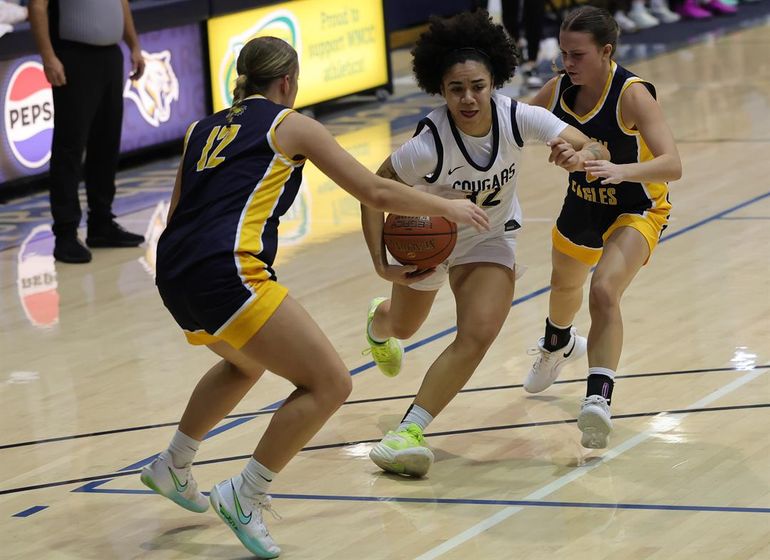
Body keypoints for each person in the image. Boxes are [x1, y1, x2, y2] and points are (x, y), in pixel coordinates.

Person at [138, 36, 489, 559]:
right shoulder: (290, 125)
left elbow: (178, 209)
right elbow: (374, 191)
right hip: (226, 269)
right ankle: (247, 493)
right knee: (329, 383)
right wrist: (452, 209)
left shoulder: (200, 129)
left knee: (242, 365)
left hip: (173, 271)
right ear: (288, 82)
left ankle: (174, 462)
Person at [361, 10, 608, 478]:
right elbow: (374, 192)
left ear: (494, 80)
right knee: (404, 327)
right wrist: (380, 262)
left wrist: (581, 154)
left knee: (477, 334)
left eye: (477, 85)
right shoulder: (428, 144)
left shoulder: (519, 118)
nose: (469, 97)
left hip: (488, 239)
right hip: (428, 240)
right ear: (442, 90)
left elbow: (597, 146)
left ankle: (406, 432)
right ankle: (379, 322)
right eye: (456, 89)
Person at [525, 5, 682, 449]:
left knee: (604, 290)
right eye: (563, 54)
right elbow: (512, 124)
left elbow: (673, 164)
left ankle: (598, 398)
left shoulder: (632, 94)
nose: (567, 64)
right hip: (584, 202)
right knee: (563, 289)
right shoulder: (557, 89)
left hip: (637, 207)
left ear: (606, 51)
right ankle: (556, 343)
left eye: (577, 55)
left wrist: (620, 169)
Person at [28, 0, 146, 264]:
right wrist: (48, 57)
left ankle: (101, 223)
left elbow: (121, 2)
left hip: (110, 55)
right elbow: (36, 7)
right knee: (69, 147)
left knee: (106, 143)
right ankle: (66, 233)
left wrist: (134, 45)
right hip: (73, 57)